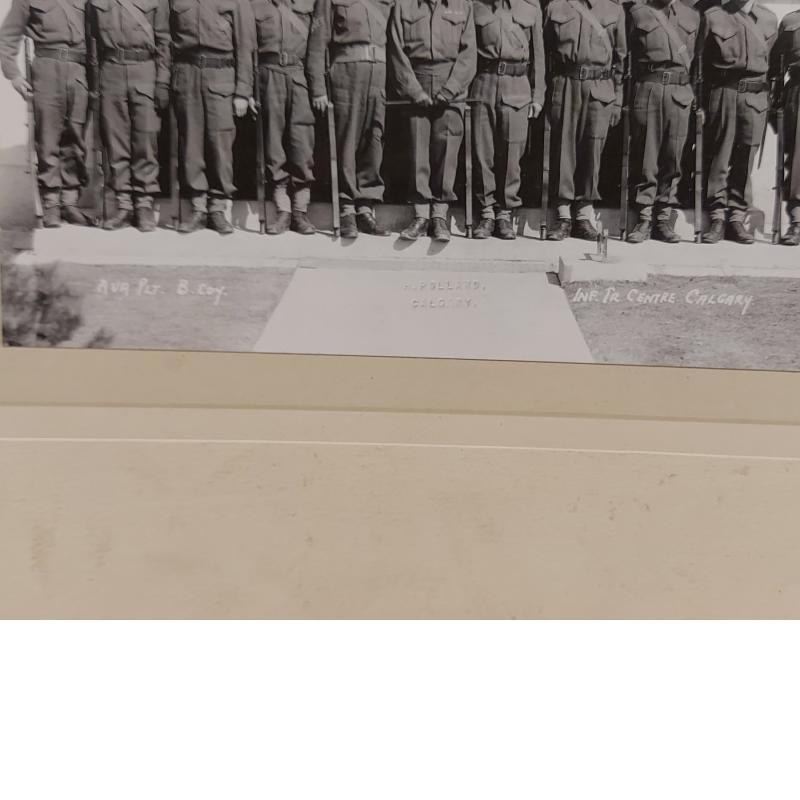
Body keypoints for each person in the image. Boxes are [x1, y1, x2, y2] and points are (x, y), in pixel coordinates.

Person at [0, 0, 95, 228]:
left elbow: (95, 36)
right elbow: (7, 38)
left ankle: (69, 203)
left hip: (79, 70)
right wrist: (13, 75)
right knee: (48, 138)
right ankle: (51, 203)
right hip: (47, 69)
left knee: (75, 138)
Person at [388, 0, 477, 243]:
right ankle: (420, 216)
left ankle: (439, 216)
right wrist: (414, 91)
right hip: (416, 82)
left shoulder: (462, 6)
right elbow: (396, 51)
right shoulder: (404, 7)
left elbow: (468, 55)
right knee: (418, 151)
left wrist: (450, 90)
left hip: (451, 85)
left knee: (446, 151)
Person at [306, 0, 394, 239]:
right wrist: (317, 88)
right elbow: (317, 42)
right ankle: (346, 208)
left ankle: (366, 207)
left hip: (378, 73)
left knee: (373, 139)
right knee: (347, 141)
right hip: (346, 73)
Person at [542, 0, 626, 241]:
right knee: (563, 149)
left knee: (592, 151)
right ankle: (563, 216)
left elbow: (621, 60)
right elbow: (544, 51)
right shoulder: (556, 7)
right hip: (565, 85)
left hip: (600, 88)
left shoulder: (614, 10)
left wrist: (618, 100)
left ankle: (583, 216)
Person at [170, 0, 254, 234]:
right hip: (186, 75)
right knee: (191, 145)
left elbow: (246, 45)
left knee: (221, 144)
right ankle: (198, 208)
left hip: (221, 76)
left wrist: (243, 91)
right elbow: (167, 40)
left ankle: (217, 208)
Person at [88, 0, 171, 232]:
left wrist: (162, 82)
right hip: (111, 70)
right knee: (116, 142)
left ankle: (144, 203)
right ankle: (123, 205)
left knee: (146, 141)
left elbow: (164, 42)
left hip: (145, 70)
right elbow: (91, 40)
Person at [700, 0, 777, 244]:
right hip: (723, 93)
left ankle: (736, 216)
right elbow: (699, 65)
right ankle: (716, 216)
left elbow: (774, 66)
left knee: (745, 158)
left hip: (755, 97)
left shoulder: (768, 19)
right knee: (719, 157)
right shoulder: (712, 16)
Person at [469, 0, 545, 240]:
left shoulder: (530, 6)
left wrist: (538, 94)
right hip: (484, 82)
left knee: (513, 155)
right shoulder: (476, 5)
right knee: (484, 153)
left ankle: (505, 213)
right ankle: (486, 211)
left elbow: (539, 55)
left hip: (518, 85)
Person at [626, 0, 700, 244]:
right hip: (649, 89)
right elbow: (624, 56)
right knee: (646, 156)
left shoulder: (692, 16)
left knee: (674, 156)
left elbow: (699, 61)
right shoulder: (636, 13)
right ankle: (644, 217)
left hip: (680, 93)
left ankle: (663, 217)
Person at [251, 0, 316, 235]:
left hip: (299, 76)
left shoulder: (309, 4)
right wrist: (249, 90)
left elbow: (319, 49)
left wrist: (320, 89)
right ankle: (283, 210)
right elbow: (247, 48)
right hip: (267, 77)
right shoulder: (256, 5)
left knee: (302, 144)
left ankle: (300, 211)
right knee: (273, 145)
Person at [769, 6, 800, 246]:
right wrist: (775, 101)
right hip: (798, 92)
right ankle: (797, 222)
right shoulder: (790, 21)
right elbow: (775, 67)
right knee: (799, 159)